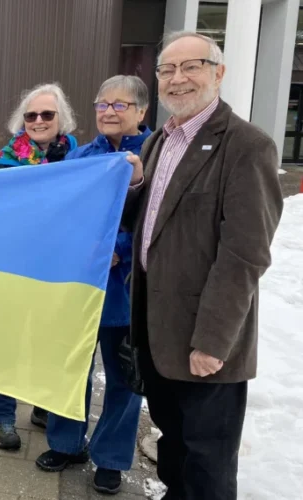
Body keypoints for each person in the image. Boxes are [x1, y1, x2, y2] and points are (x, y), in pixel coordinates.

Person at [122, 32, 283, 500]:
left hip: (205, 341)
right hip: (159, 332)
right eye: (167, 70)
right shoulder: (160, 142)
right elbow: (151, 225)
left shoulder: (246, 146)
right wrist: (134, 187)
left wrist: (213, 342)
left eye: (190, 66)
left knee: (208, 461)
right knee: (175, 447)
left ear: (219, 72)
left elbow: (245, 254)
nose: (178, 79)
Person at [33, 75, 151, 495]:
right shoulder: (81, 156)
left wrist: (117, 248)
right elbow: (65, 215)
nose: (109, 112)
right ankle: (66, 444)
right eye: (103, 104)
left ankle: (111, 459)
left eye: (120, 105)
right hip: (81, 287)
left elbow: (158, 220)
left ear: (141, 111)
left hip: (129, 291)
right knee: (70, 370)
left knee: (124, 378)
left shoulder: (156, 156)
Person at [0, 82, 78, 450]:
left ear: (62, 119)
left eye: (47, 114)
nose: (38, 121)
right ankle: (2, 417)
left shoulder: (81, 159)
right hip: (13, 267)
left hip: (60, 269)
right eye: (31, 115)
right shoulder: (3, 160)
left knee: (51, 342)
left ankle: (43, 406)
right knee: (6, 343)